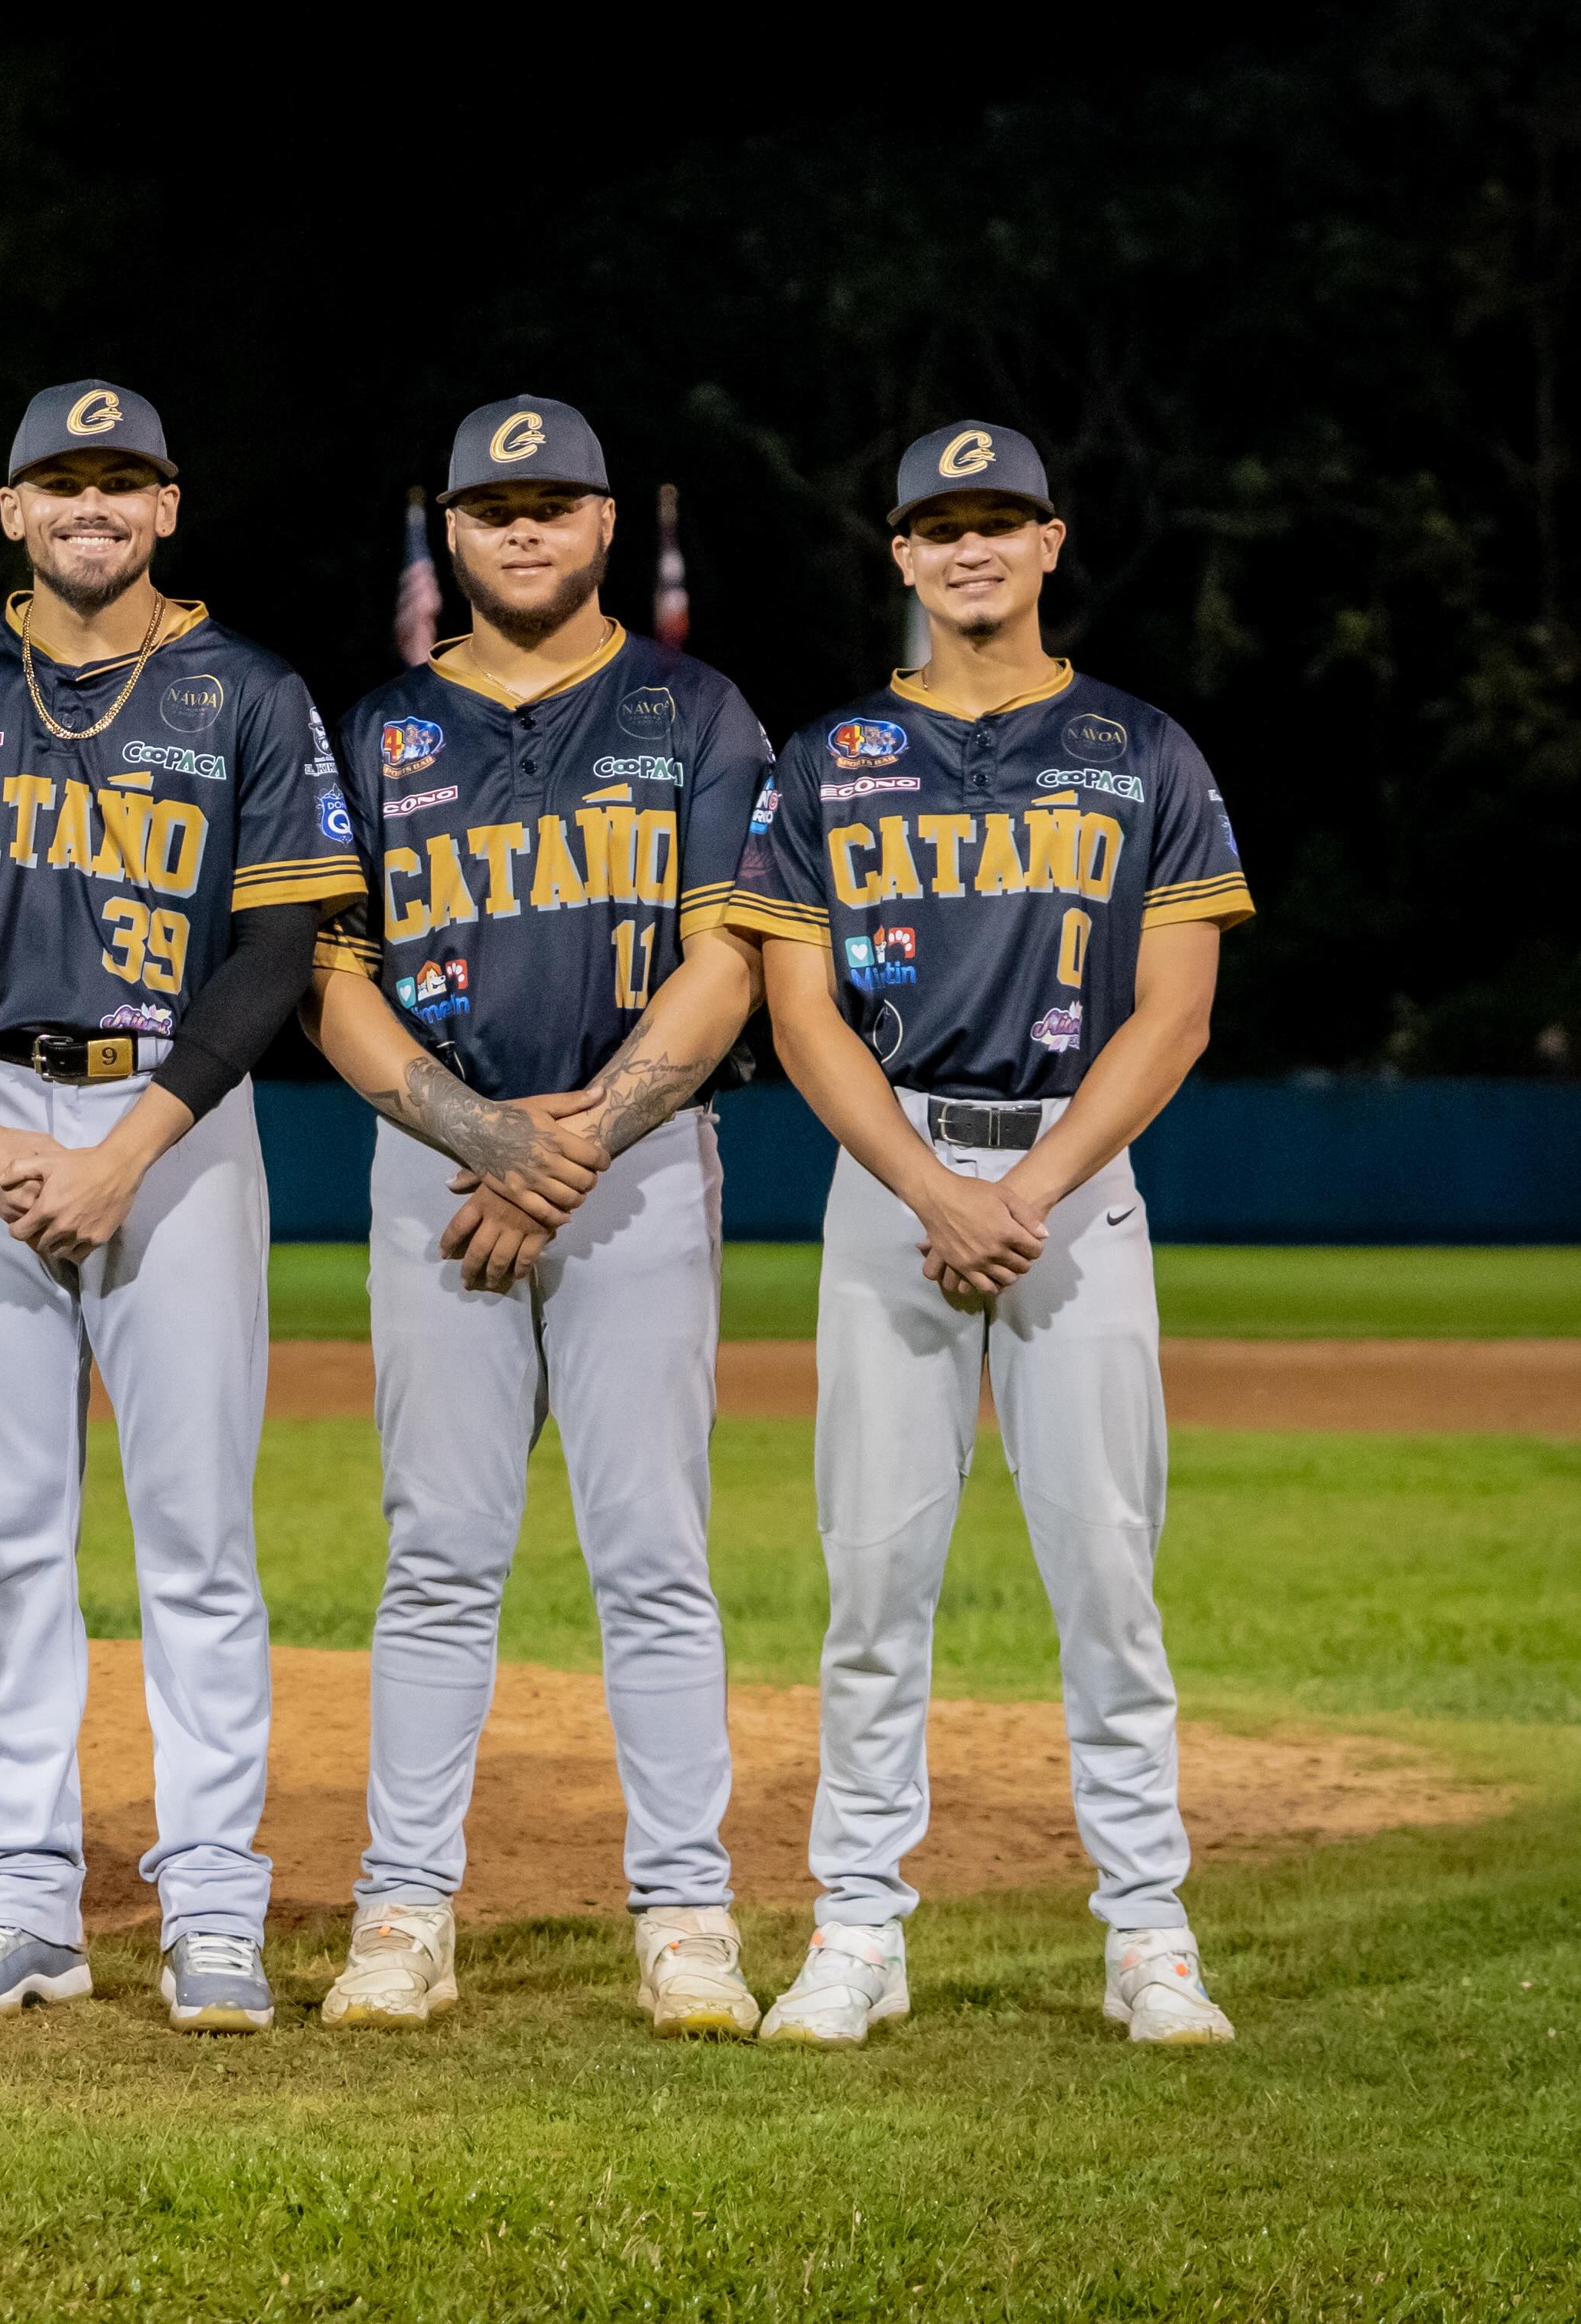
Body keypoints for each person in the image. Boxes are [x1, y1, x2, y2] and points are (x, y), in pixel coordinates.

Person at [727, 421, 1253, 2048]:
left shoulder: (1141, 750)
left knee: (1106, 1573)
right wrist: (935, 1189)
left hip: (1072, 1185)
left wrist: (1025, 1191)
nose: (971, 548)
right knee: (874, 1578)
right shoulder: (828, 759)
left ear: (1048, 543)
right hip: (893, 1184)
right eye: (941, 526)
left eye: (1000, 521)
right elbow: (799, 1016)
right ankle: (856, 1928)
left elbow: (1174, 1014)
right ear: (901, 553)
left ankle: (1148, 1931)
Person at [0, 380, 361, 2034]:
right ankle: (23, 1889)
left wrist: (127, 1147)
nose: (90, 505)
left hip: (179, 1121)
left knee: (196, 1535)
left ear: (166, 507)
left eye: (122, 480)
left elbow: (278, 949)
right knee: (9, 1531)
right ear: (12, 511)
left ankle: (212, 1896)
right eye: (60, 481)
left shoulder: (248, 691)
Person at [303, 396, 776, 2036]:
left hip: (634, 1164)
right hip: (435, 1160)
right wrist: (480, 1134)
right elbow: (328, 977)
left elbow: (729, 959)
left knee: (652, 1551)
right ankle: (402, 1910)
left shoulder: (694, 709)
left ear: (601, 525)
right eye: (494, 505)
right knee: (437, 1551)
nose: (523, 525)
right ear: (451, 531)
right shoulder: (378, 728)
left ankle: (687, 1914)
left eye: (555, 501)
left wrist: (571, 1141)